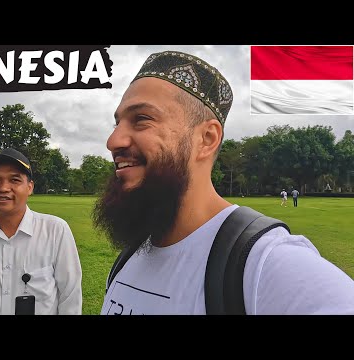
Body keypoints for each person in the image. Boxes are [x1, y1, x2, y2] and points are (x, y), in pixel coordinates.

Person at [93, 50, 354, 315]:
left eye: (141, 119)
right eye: (118, 123)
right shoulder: (130, 256)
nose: (113, 141)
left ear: (206, 139)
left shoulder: (264, 263)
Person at [0, 148, 82, 315]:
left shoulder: (55, 231)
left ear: (30, 187)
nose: (3, 188)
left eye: (15, 180)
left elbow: (70, 298)